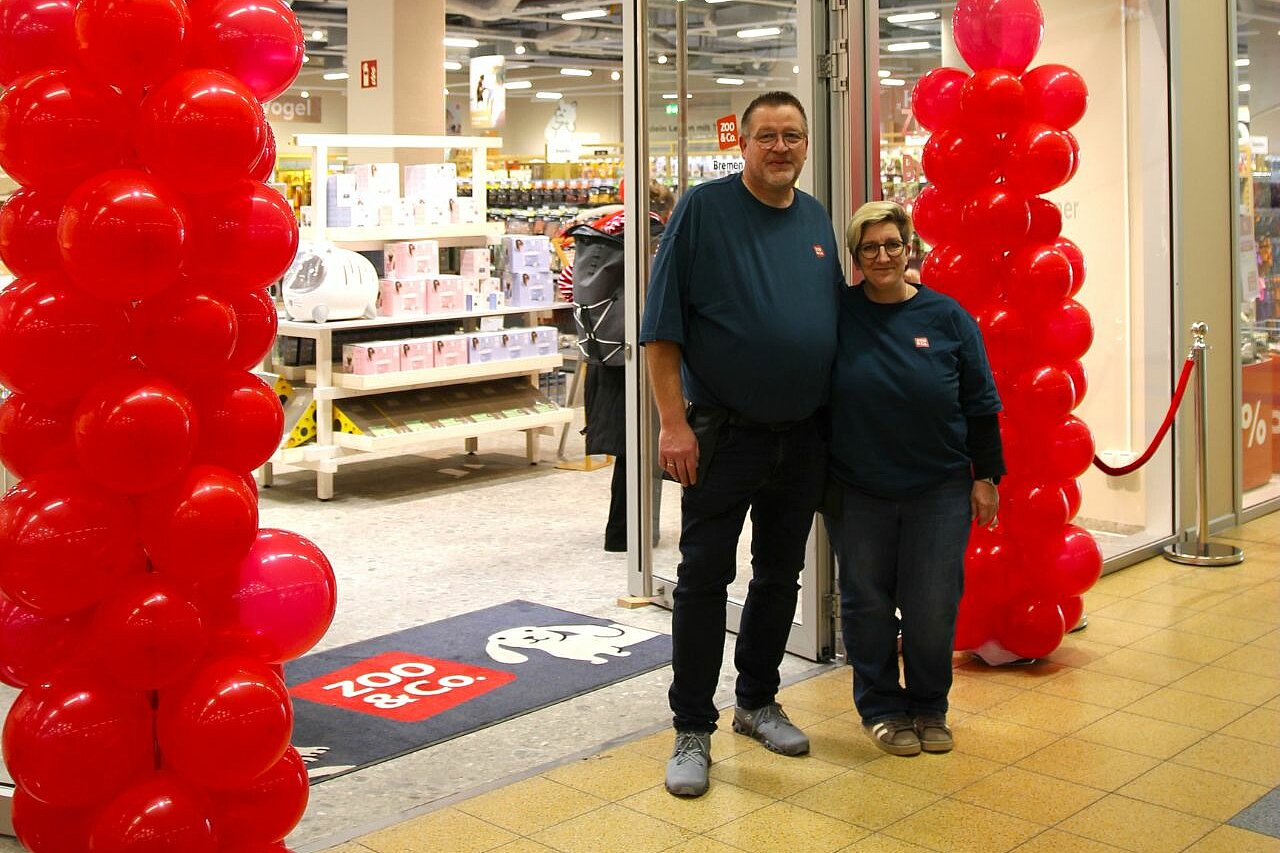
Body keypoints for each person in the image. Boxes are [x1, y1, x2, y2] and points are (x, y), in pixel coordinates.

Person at [640, 91, 843, 797]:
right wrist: (672, 423)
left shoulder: (814, 217)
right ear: (743, 144)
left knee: (779, 576)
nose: (780, 147)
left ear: (805, 144)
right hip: (722, 435)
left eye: (792, 135)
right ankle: (692, 726)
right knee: (703, 579)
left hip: (803, 435)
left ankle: (757, 701)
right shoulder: (704, 209)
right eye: (767, 136)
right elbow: (661, 329)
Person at [826, 201, 1003, 757]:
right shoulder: (839, 313)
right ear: (855, 257)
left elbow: (980, 401)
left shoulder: (947, 317)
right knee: (867, 605)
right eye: (869, 248)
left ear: (909, 249)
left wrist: (987, 475)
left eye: (892, 245)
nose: (882, 257)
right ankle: (880, 709)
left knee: (932, 606)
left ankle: (930, 706)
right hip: (858, 489)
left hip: (939, 489)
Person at [563, 180, 674, 552]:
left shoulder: (602, 230)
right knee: (644, 443)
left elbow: (568, 286)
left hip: (606, 351)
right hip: (641, 351)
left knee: (628, 447)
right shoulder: (652, 236)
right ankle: (636, 533)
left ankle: (622, 533)